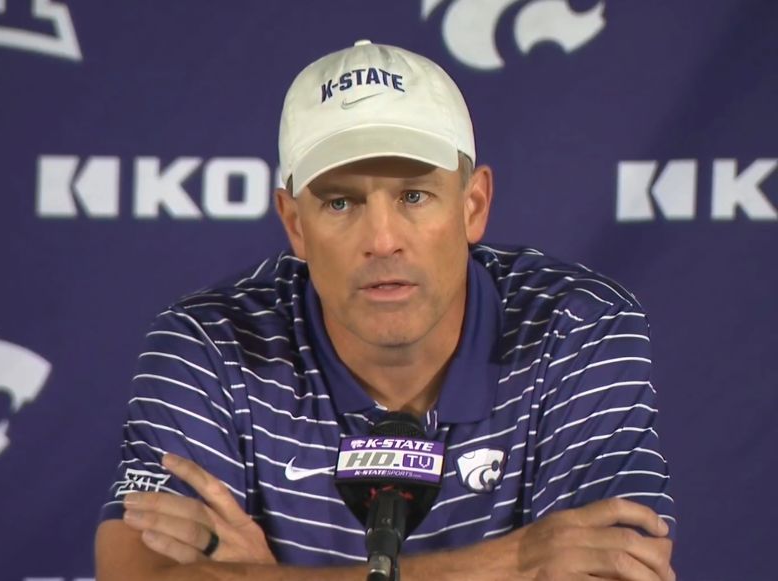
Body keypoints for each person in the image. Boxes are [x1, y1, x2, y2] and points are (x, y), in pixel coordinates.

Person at [95, 40, 676, 580]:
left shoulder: (576, 328)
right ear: (295, 224)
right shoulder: (209, 345)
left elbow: (617, 568)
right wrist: (517, 561)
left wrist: (264, 578)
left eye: (413, 196)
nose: (382, 239)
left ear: (473, 206)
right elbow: (137, 573)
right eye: (341, 201)